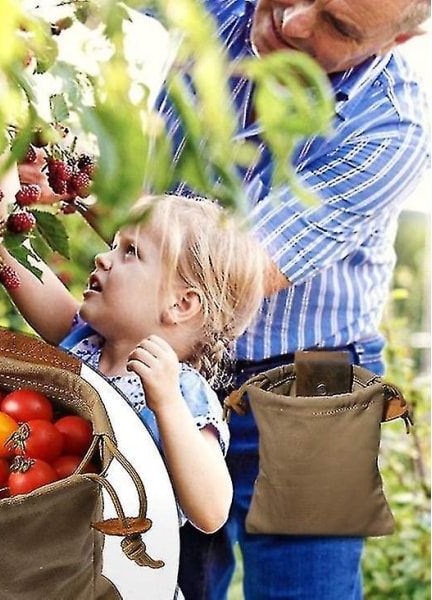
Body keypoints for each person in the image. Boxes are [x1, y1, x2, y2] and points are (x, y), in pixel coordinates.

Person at [151, 0, 431, 599]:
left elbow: (227, 272)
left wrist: (85, 193)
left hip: (314, 376)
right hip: (178, 353)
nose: (295, 20)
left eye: (338, 26)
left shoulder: (391, 125)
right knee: (167, 577)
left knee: (306, 589)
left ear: (397, 41)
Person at [0, 162, 268, 538]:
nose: (103, 258)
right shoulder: (81, 340)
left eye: (130, 252)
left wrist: (166, 403)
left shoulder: (182, 392)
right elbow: (8, 250)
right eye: (112, 245)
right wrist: (4, 156)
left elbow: (212, 511)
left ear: (182, 304)